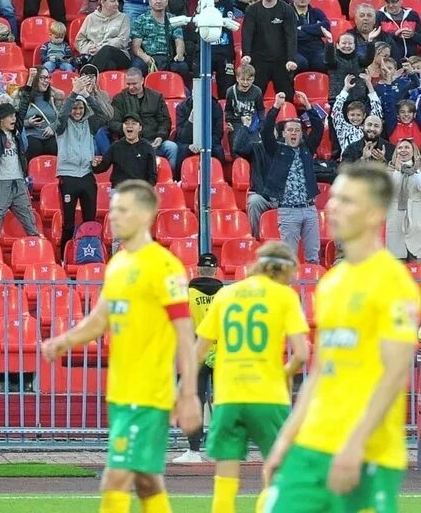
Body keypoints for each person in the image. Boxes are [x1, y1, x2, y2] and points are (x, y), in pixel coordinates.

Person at [262, 162, 421, 513]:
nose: (332, 207)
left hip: (369, 452)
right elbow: (321, 371)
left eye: (346, 201)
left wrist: (355, 445)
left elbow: (394, 374)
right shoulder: (332, 282)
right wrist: (285, 439)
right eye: (332, 198)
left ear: (374, 214)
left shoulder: (393, 284)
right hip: (314, 443)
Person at [44, 180, 200, 513]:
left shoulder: (164, 266)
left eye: (122, 210)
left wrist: (188, 394)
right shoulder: (117, 264)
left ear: (146, 214)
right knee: (146, 481)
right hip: (121, 391)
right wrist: (63, 341)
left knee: (115, 479)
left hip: (149, 394)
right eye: (112, 209)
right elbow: (99, 320)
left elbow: (185, 334)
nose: (112, 216)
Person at [192, 241, 310, 508]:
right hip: (268, 395)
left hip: (229, 396)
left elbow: (199, 348)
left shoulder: (225, 295)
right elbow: (302, 353)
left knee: (224, 479)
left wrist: (186, 389)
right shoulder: (283, 296)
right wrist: (285, 372)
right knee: (276, 472)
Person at [242, 93, 326, 261]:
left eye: (297, 130)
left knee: (313, 257)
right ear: (284, 133)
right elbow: (266, 131)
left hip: (309, 209)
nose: (294, 133)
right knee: (289, 259)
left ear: (302, 134)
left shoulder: (306, 148)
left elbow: (318, 128)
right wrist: (276, 107)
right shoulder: (276, 150)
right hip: (288, 210)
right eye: (290, 130)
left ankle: (312, 284)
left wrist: (308, 106)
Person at [174, 253, 224, 465]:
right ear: (216, 270)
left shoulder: (188, 293)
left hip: (197, 352)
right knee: (223, 401)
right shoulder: (225, 294)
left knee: (195, 400)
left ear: (197, 269)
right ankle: (223, 449)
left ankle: (194, 450)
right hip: (222, 352)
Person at [55, 75, 114, 247]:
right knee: (68, 222)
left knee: (90, 220)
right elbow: (62, 115)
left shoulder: (90, 124)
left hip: (87, 175)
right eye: (74, 108)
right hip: (68, 175)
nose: (77, 111)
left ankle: (90, 252)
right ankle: (65, 255)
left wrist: (87, 95)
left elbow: (105, 115)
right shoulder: (62, 125)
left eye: (81, 108)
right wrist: (73, 93)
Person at [0, 99, 39, 238]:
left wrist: (29, 84)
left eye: (14, 116)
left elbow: (23, 110)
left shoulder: (16, 134)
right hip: (0, 182)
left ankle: (37, 250)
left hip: (18, 182)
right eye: (10, 116)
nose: (14, 118)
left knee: (30, 222)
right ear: (1, 119)